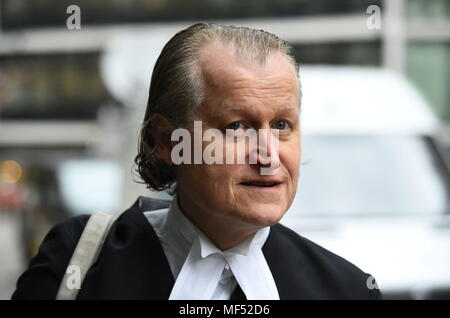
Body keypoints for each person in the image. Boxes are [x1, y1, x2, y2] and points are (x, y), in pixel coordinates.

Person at [12, 23, 381, 300]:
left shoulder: (346, 290)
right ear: (168, 140)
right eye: (237, 127)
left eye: (282, 125)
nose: (269, 155)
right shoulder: (76, 263)